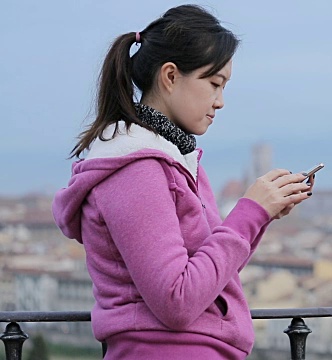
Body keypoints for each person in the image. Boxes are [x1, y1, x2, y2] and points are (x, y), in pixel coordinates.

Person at [52, 4, 314, 359]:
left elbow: (210, 276)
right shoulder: (136, 169)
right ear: (171, 76)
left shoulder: (175, 159)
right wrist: (248, 212)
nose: (220, 102)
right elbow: (177, 299)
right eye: (214, 84)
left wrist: (261, 216)